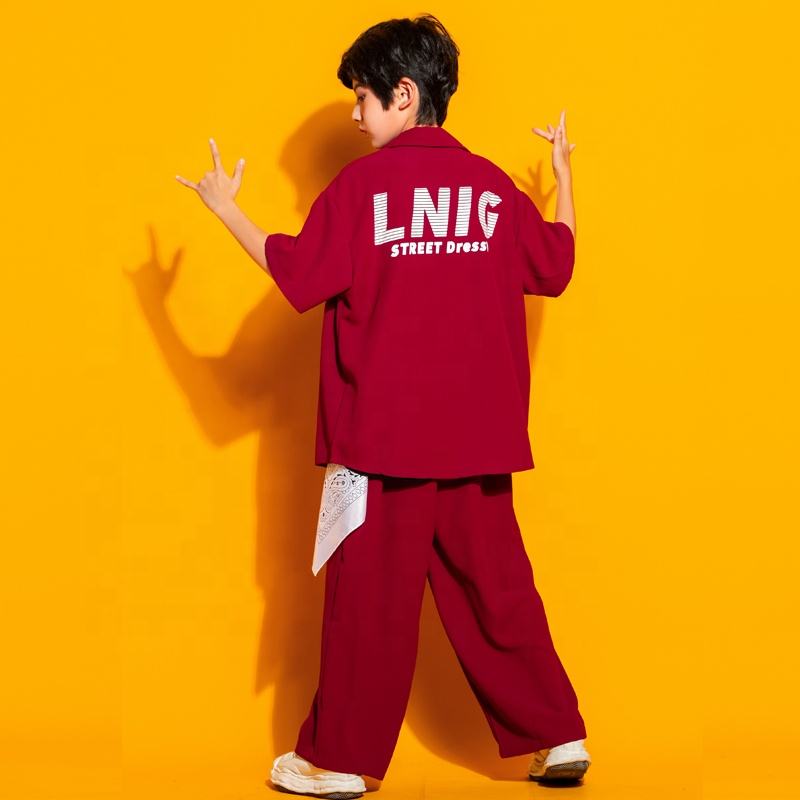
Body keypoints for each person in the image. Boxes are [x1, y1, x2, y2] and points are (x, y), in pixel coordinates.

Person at [176, 13, 591, 798]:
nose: (355, 113)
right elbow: (557, 264)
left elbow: (297, 274)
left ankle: (338, 760)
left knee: (367, 604)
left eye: (363, 96)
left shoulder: (360, 190)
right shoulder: (494, 189)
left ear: (404, 95)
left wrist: (225, 207)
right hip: (480, 442)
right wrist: (564, 176)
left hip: (381, 443)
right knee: (497, 593)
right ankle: (559, 735)